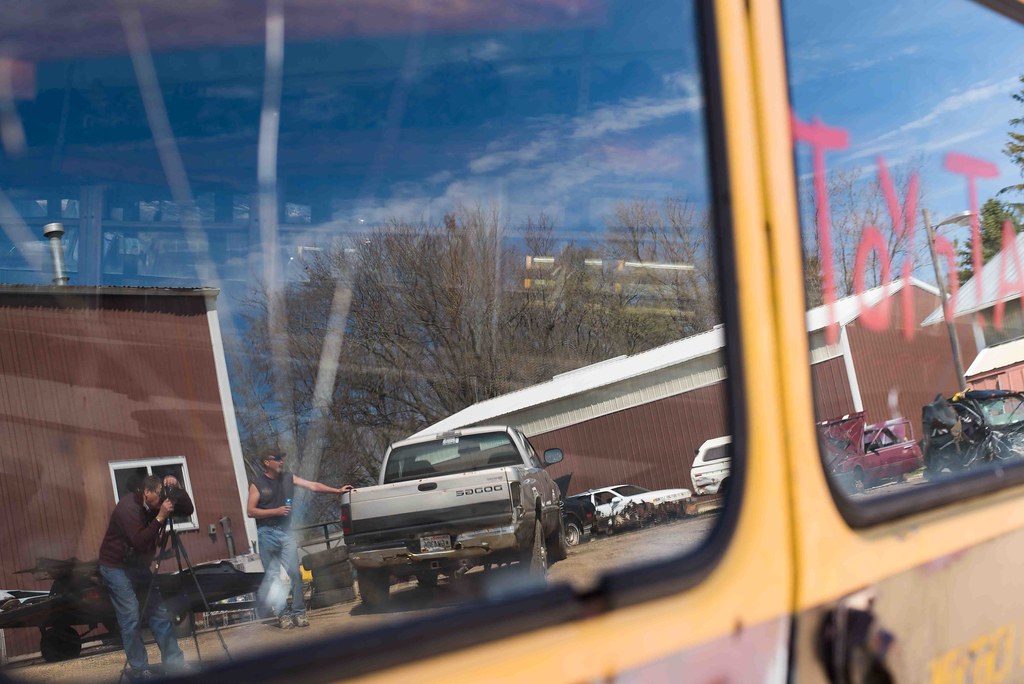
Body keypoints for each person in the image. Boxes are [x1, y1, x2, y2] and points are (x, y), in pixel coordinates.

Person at [98, 474, 194, 681]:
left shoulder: (156, 502)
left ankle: (174, 663)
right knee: (131, 616)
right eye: (159, 496)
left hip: (138, 565)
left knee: (159, 612)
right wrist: (160, 517)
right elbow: (140, 542)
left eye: (163, 496)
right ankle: (141, 669)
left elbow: (187, 510)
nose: (162, 501)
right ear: (146, 492)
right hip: (116, 567)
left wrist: (177, 488)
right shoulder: (127, 508)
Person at [247, 448, 354, 629]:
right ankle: (283, 615)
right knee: (273, 577)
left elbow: (313, 485)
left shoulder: (289, 478)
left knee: (295, 573)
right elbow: (251, 511)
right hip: (266, 533)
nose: (281, 461)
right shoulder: (257, 484)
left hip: (286, 532)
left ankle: (299, 612)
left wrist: (337, 490)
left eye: (283, 458)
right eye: (278, 458)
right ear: (266, 462)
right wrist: (275, 511)